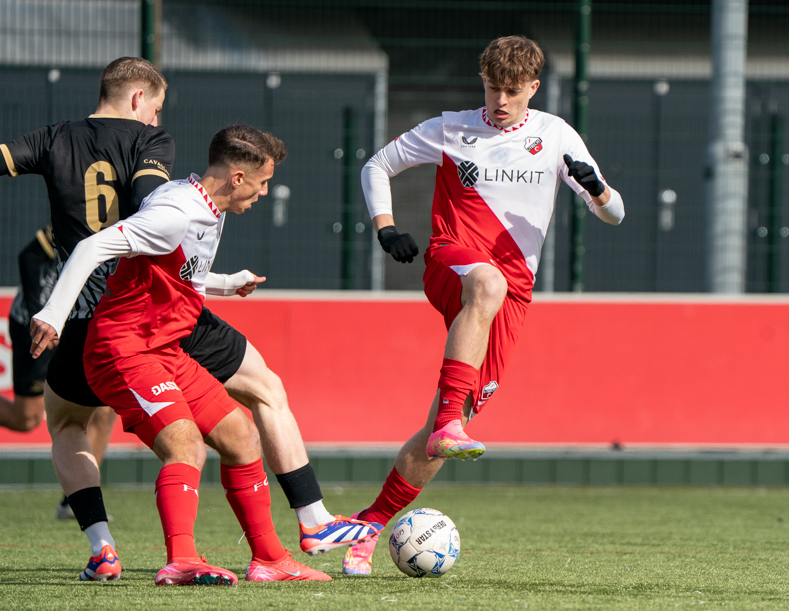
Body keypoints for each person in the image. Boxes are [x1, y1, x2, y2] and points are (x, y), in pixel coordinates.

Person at [1, 57, 376, 581]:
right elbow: (91, 246)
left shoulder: (207, 208)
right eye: (263, 184)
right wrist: (54, 314)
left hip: (165, 347)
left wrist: (226, 283)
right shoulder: (175, 210)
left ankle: (270, 560)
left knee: (242, 434)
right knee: (185, 443)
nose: (265, 195)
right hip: (123, 347)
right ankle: (181, 559)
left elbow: (179, 279)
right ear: (239, 175)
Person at [342, 35, 625, 575]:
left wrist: (599, 192)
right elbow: (376, 165)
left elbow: (615, 215)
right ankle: (452, 418)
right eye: (493, 88)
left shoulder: (556, 135)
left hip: (514, 290)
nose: (500, 100)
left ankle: (368, 526)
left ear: (533, 89)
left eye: (512, 91)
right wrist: (386, 228)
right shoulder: (452, 126)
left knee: (440, 437)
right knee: (486, 287)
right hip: (454, 260)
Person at [2, 227, 118, 519]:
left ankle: (76, 502)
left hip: (79, 325)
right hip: (39, 322)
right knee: (26, 418)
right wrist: (38, 315)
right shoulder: (75, 215)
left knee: (104, 410)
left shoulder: (136, 220)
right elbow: (29, 256)